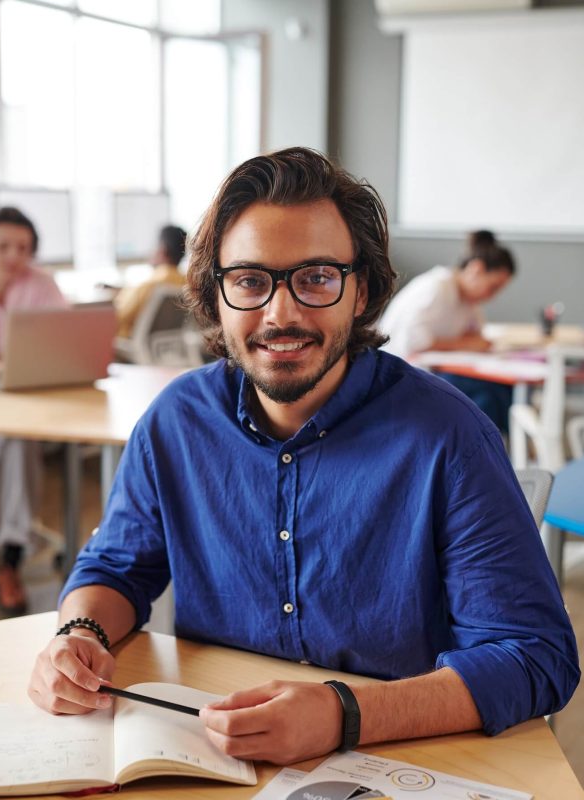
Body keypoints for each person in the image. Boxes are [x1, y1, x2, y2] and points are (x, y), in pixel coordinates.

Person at [28, 148, 578, 765]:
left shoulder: (449, 436)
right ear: (217, 293)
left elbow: (535, 656)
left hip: (402, 758)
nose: (280, 313)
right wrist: (80, 633)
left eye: (316, 277)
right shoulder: (176, 422)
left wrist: (344, 714)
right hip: (216, 754)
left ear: (360, 290)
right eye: (249, 281)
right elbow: (114, 568)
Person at [0, 206, 67, 613]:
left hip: (25, 404)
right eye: (3, 246)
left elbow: (62, 344)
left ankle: (10, 559)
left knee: (16, 441)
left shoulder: (43, 286)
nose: (14, 256)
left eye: (23, 247)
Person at [377, 237, 516, 432]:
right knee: (486, 395)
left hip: (431, 369)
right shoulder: (436, 287)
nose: (492, 295)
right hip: (402, 372)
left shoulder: (467, 300)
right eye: (493, 287)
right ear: (476, 269)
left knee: (501, 390)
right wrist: (465, 344)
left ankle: (501, 444)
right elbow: (413, 340)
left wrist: (471, 341)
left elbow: (477, 336)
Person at [113, 224, 187, 338]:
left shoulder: (151, 285)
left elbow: (120, 315)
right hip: (165, 344)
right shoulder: (187, 283)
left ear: (162, 249)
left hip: (129, 342)